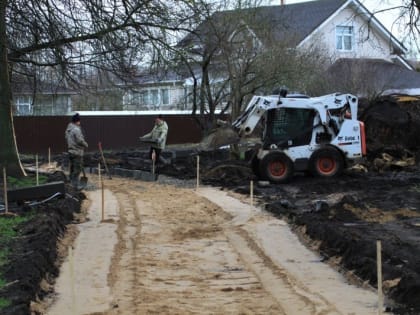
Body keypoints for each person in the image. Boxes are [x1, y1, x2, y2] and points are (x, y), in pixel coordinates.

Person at [65, 113, 88, 189]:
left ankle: (70, 183)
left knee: (72, 168)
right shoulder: (76, 129)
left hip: (71, 151)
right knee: (77, 170)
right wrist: (85, 144)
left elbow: (67, 139)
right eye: (79, 121)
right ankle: (74, 186)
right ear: (77, 121)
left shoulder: (68, 129)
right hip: (77, 152)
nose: (80, 122)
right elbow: (80, 140)